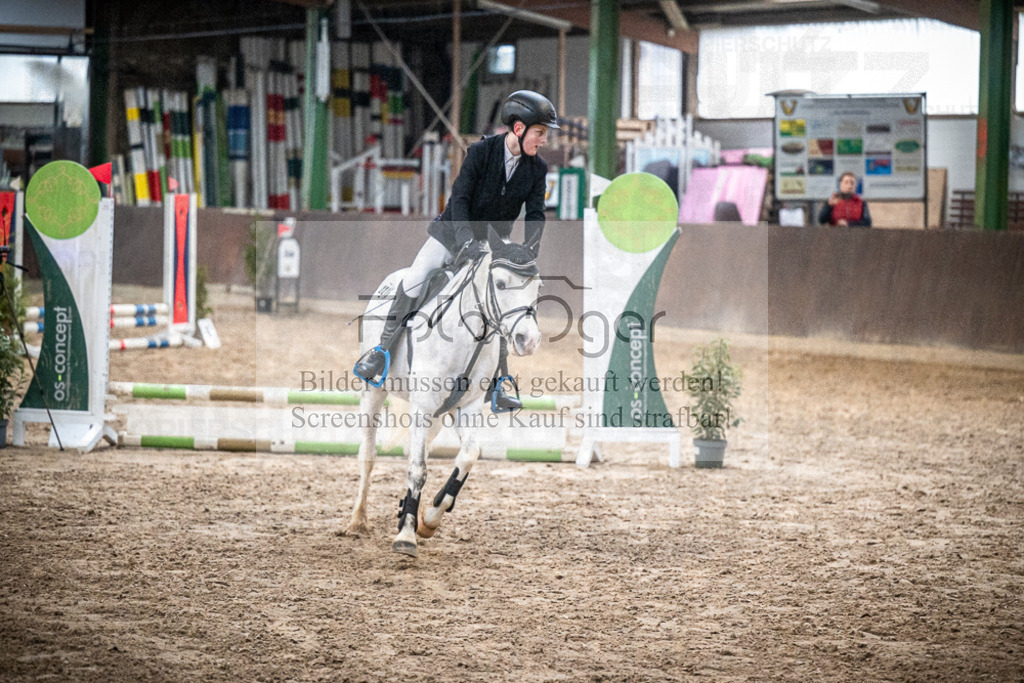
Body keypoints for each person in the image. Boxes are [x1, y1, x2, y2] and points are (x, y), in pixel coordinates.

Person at [353, 90, 558, 411]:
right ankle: (381, 353)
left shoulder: (537, 169)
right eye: (540, 133)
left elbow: (535, 214)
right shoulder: (480, 152)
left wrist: (528, 251)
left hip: (493, 245)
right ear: (519, 129)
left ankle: (500, 382)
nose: (544, 140)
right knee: (415, 280)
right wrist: (465, 241)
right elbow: (459, 199)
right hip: (451, 233)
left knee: (497, 303)